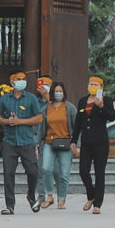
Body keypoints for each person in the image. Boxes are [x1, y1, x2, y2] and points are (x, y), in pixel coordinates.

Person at [0, 72, 44, 214]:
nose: (22, 81)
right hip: (9, 142)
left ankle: (31, 195)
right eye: (18, 79)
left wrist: (20, 121)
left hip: (27, 141)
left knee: (33, 172)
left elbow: (39, 118)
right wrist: (7, 121)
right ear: (12, 82)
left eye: (23, 79)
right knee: (8, 173)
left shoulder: (31, 98)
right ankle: (10, 205)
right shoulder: (5, 98)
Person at [75, 81, 115, 214]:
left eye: (96, 84)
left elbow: (112, 117)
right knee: (83, 171)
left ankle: (97, 204)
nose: (93, 86)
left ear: (101, 87)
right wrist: (74, 140)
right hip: (86, 142)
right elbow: (78, 122)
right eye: (91, 84)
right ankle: (91, 195)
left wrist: (102, 106)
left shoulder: (106, 100)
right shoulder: (82, 101)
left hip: (100, 143)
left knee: (99, 173)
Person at [37, 80, 76, 211]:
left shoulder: (70, 108)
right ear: (52, 93)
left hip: (66, 143)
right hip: (49, 143)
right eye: (56, 91)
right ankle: (50, 195)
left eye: (60, 91)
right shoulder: (46, 109)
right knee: (46, 168)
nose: (58, 93)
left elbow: (77, 127)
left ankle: (62, 199)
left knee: (64, 173)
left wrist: (77, 144)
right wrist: (38, 144)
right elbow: (41, 129)